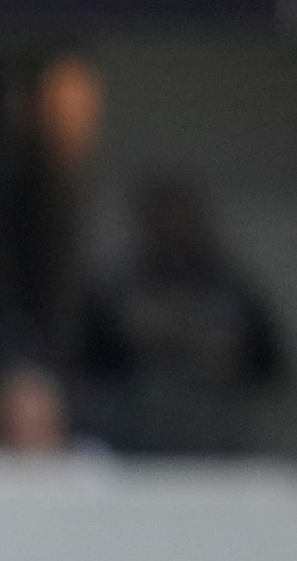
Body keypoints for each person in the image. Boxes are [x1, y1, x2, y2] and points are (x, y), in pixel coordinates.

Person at [73, 173, 283, 454]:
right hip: (136, 433)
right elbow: (90, 364)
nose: (174, 227)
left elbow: (267, 364)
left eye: (182, 217)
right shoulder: (118, 290)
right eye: (165, 218)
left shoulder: (231, 290)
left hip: (218, 433)